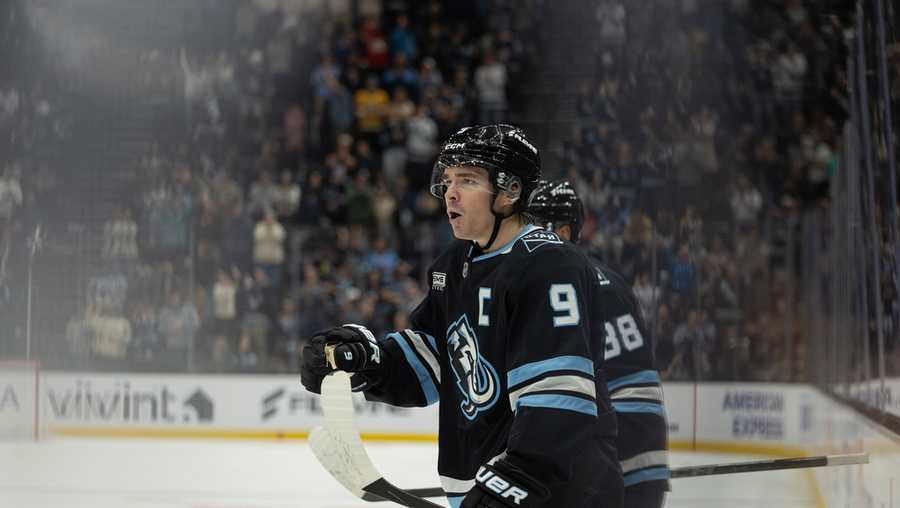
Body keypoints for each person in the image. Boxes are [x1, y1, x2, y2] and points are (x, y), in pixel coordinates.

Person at [301, 125, 623, 508]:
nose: (450, 192)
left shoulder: (549, 265)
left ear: (510, 191)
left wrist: (509, 486)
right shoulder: (455, 264)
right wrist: (367, 362)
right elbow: (435, 362)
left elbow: (558, 403)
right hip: (489, 491)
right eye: (448, 179)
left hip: (555, 496)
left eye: (467, 180)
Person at [528, 179, 670, 508]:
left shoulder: (557, 281)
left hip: (603, 435)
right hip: (646, 433)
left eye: (534, 226)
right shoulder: (614, 281)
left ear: (563, 231)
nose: (526, 237)